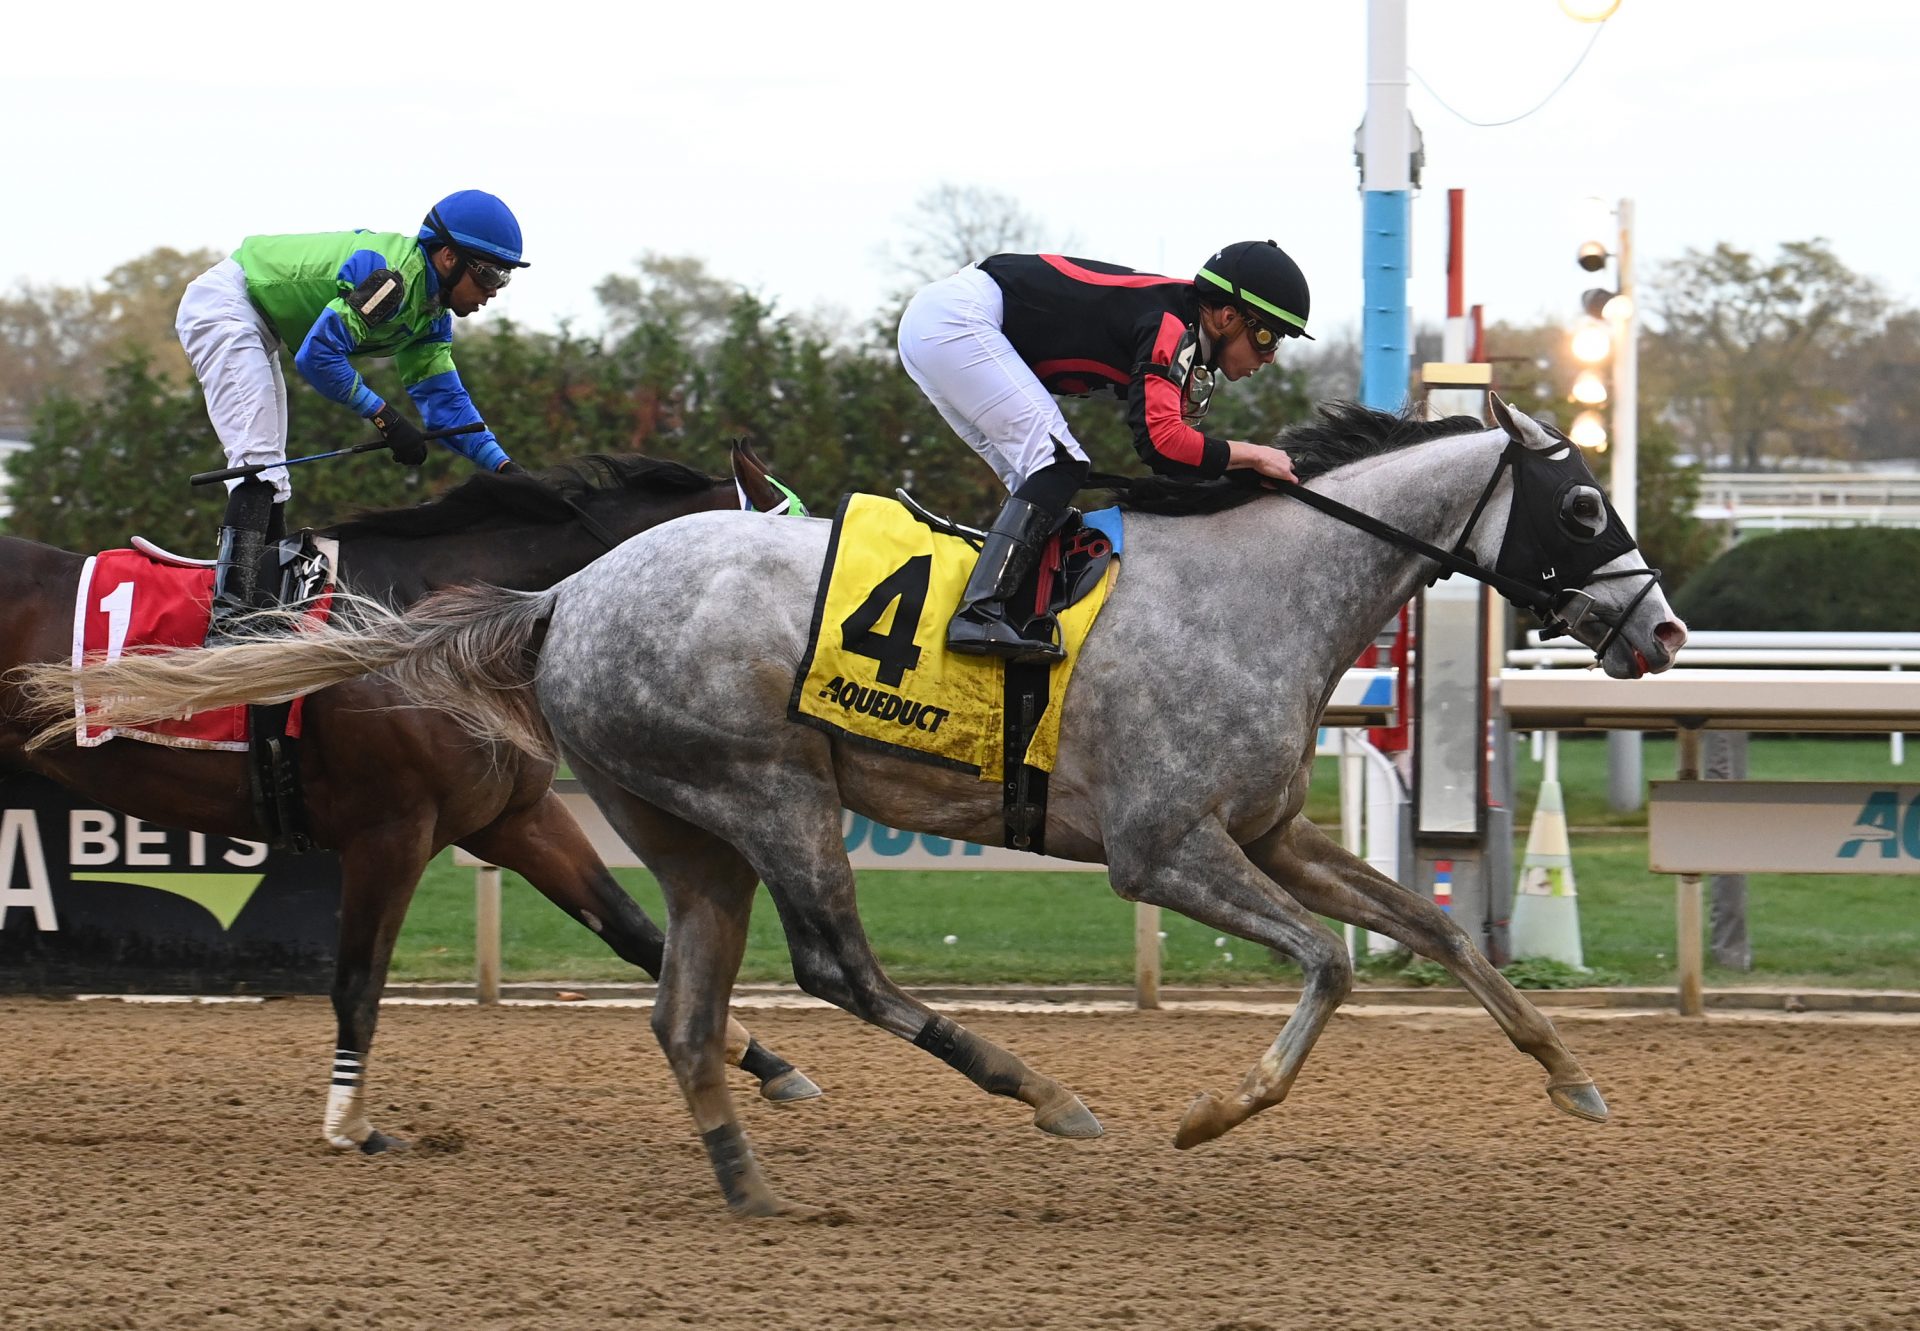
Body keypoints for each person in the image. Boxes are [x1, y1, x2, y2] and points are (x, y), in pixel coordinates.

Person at [897, 240, 1312, 662]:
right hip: (960, 320)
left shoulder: (1183, 330)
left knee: (1042, 485)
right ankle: (979, 613)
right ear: (1227, 317)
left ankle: (1011, 610)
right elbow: (1161, 442)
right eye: (1267, 335)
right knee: (1061, 465)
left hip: (941, 323)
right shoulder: (1172, 327)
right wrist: (1255, 455)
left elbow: (1175, 459)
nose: (1272, 355)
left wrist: (1241, 470)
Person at [175, 189, 530, 639]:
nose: (493, 292)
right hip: (228, 302)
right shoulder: (393, 281)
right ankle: (229, 622)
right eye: (489, 274)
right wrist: (384, 416)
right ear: (447, 257)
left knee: (273, 472)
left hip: (262, 322)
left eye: (503, 278)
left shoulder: (431, 313)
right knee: (258, 460)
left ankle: (263, 607)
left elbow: (445, 403)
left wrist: (503, 466)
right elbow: (318, 358)